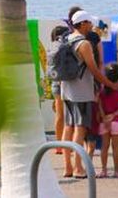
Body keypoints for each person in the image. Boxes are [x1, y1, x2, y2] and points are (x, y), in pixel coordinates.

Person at [61, 10, 118, 180]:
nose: (92, 26)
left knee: (68, 127)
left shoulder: (66, 39)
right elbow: (94, 69)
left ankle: (68, 166)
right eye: (89, 23)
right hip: (81, 92)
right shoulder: (84, 44)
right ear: (82, 24)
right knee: (80, 129)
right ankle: (78, 167)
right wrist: (110, 84)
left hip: (67, 89)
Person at [96, 63, 118, 179]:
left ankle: (103, 170)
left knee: (104, 147)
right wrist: (113, 115)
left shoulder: (102, 90)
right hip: (117, 121)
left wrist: (104, 117)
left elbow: (99, 105)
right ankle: (116, 171)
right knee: (116, 147)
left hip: (104, 122)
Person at [49, 24, 70, 154]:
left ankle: (58, 146)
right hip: (66, 82)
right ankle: (68, 145)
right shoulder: (65, 47)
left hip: (55, 83)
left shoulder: (52, 48)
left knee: (59, 115)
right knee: (68, 116)